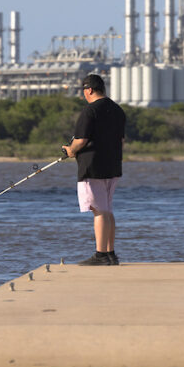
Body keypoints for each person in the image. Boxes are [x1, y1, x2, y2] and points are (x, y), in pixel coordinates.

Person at [61, 73, 126, 266]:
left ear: (89, 90)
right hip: (113, 165)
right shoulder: (118, 110)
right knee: (107, 210)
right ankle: (110, 254)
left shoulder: (90, 111)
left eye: (84, 91)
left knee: (98, 210)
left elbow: (81, 140)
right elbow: (121, 140)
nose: (84, 95)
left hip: (93, 166)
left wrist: (70, 150)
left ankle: (100, 255)